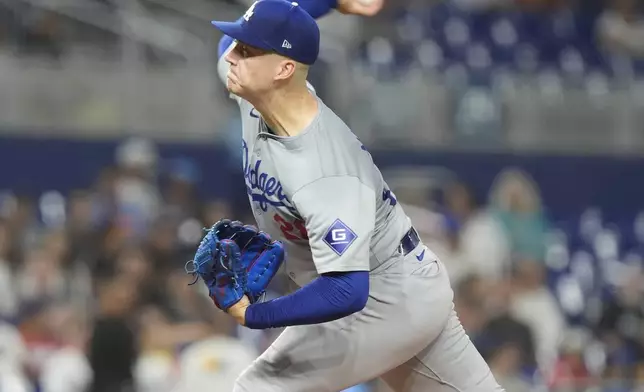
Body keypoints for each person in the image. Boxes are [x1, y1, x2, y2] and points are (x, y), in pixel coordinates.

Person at [211, 0, 505, 390]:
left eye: (247, 49)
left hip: (382, 297)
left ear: (283, 69)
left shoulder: (326, 167)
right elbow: (227, 47)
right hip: (404, 286)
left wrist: (256, 315)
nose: (233, 55)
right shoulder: (258, 96)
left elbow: (346, 290)